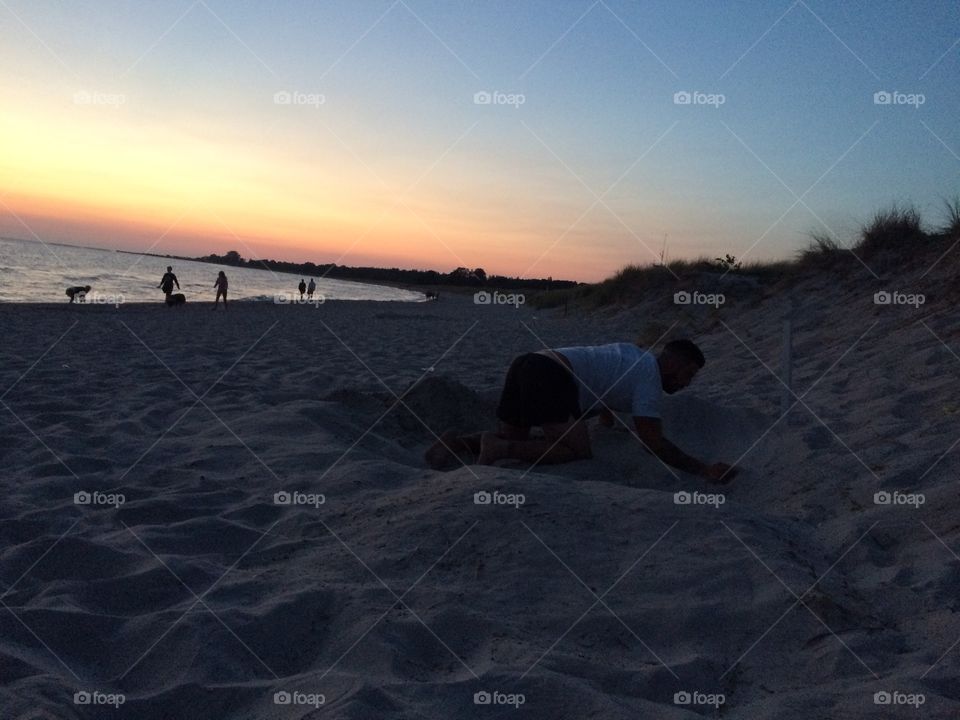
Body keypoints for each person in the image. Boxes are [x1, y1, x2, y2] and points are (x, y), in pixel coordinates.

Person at [426, 339, 736, 482]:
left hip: (530, 361)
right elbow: (653, 441)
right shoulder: (650, 381)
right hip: (552, 376)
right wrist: (702, 469)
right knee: (577, 450)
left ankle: (460, 443)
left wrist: (604, 414)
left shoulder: (633, 355)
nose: (687, 383)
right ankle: (496, 448)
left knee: (517, 434)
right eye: (689, 375)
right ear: (674, 365)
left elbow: (601, 379)